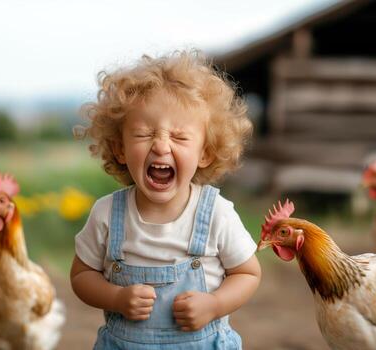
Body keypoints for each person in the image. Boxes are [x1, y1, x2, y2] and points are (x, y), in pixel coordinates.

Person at [70, 50, 261, 349]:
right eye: (144, 134)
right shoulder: (107, 213)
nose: (161, 145)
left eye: (180, 137)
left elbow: (248, 273)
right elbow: (82, 275)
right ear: (120, 148)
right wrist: (116, 298)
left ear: (205, 152)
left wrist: (214, 304)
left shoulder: (216, 214)